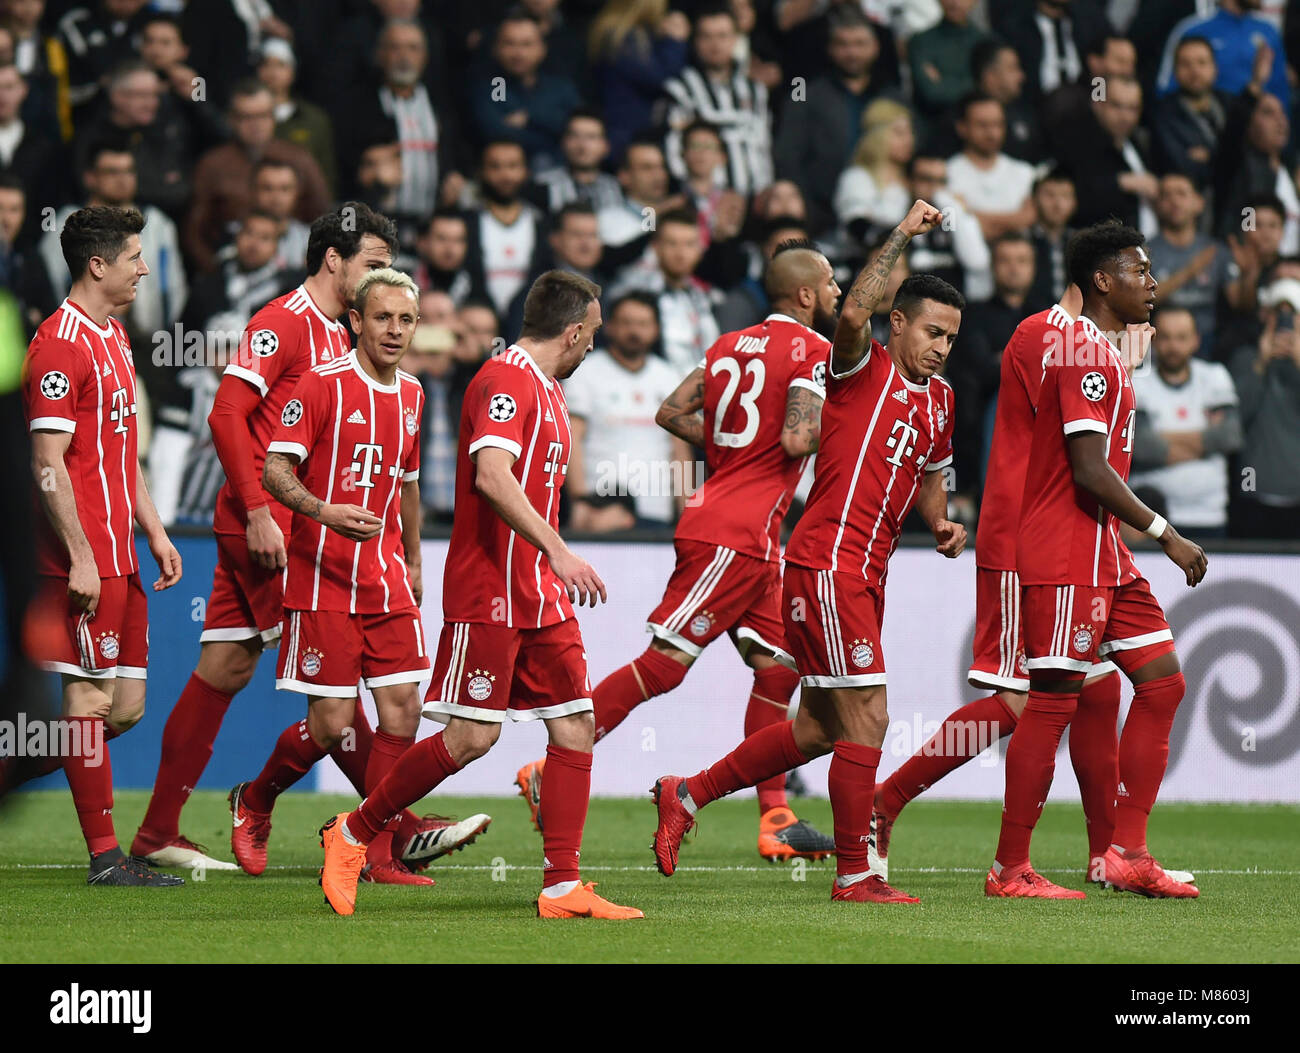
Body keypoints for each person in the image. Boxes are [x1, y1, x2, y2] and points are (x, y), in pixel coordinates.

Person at [133, 204, 485, 873]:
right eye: (373, 260)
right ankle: (392, 826)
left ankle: (157, 831)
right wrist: (258, 510)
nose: (384, 275)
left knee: (227, 667)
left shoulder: (346, 336)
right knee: (338, 698)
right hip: (270, 529)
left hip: (297, 530)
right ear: (333, 259)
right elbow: (226, 410)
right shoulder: (284, 323)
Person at [650, 201, 966, 904]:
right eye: (931, 331)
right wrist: (903, 234)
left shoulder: (941, 402)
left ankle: (687, 793)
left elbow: (933, 476)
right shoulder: (858, 367)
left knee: (821, 726)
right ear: (898, 323)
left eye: (951, 336)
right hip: (828, 564)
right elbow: (850, 312)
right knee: (870, 717)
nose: (942, 346)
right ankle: (856, 873)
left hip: (864, 573)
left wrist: (942, 525)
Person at [319, 270, 643, 920]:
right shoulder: (504, 379)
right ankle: (353, 832)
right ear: (574, 329)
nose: (591, 349)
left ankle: (561, 886)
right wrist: (557, 546)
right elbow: (492, 476)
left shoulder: (548, 390)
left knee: (576, 726)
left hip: (538, 593)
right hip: (491, 587)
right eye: (593, 335)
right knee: (470, 737)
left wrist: (547, 562)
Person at [520, 243, 839, 859]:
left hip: (745, 533)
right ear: (804, 295)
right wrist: (847, 428)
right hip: (733, 534)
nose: (834, 292)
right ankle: (547, 768)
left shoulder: (724, 346)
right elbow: (801, 436)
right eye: (828, 283)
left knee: (779, 669)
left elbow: (671, 412)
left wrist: (731, 444)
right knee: (665, 664)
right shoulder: (815, 351)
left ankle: (775, 818)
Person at [242, 267, 487, 890]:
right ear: (356, 320)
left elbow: (406, 483)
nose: (395, 330)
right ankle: (256, 800)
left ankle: (375, 857)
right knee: (332, 726)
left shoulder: (412, 393)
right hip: (322, 576)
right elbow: (273, 470)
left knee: (402, 712)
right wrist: (323, 511)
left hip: (385, 578)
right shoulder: (319, 386)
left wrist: (414, 557)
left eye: (406, 320)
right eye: (383, 317)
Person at [988, 220, 1207, 899]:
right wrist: (1166, 532)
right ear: (1103, 280)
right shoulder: (1080, 350)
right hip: (1065, 547)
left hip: (1104, 550)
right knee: (1050, 702)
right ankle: (1010, 868)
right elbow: (1087, 468)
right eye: (1141, 270)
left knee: (1163, 681)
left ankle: (1127, 851)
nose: (1153, 281)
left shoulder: (1108, 353)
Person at [24, 204, 184, 886]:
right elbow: (47, 463)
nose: (144, 267)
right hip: (80, 559)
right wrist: (82, 556)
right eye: (134, 257)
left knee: (124, 708)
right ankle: (106, 857)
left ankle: (18, 761)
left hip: (122, 555)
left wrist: (153, 527)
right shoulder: (57, 345)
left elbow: (123, 454)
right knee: (87, 705)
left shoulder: (114, 336)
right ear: (98, 264)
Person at [563, 291, 687, 530]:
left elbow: (680, 451)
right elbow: (572, 441)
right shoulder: (585, 372)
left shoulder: (670, 377)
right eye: (626, 322)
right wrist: (581, 502)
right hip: (602, 512)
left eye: (642, 324)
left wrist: (689, 513)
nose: (634, 331)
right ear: (608, 327)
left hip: (657, 513)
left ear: (656, 330)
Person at [184, 78, 330, 274]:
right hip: (229, 272)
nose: (256, 125)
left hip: (296, 272)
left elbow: (323, 217)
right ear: (231, 119)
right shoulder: (212, 165)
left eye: (263, 115)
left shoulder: (299, 159)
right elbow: (194, 232)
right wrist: (216, 276)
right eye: (246, 117)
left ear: (274, 117)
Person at [773, 3, 891, 237]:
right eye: (843, 44)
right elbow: (788, 157)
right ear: (830, 49)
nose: (852, 52)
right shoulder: (806, 95)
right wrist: (808, 209)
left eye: (859, 43)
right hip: (821, 218)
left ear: (875, 47)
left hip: (883, 214)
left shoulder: (891, 98)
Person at [1131, 307, 1240, 539]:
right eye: (1167, 338)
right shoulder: (1136, 381)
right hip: (1149, 518)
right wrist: (1206, 441)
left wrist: (1162, 438)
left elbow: (1230, 436)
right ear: (1154, 341)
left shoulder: (1214, 376)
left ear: (1196, 340)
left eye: (1181, 337)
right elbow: (1141, 447)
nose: (1173, 347)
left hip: (1209, 515)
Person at [661, 3, 772, 198]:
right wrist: (694, 195)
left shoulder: (756, 90)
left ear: (736, 39)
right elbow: (673, 149)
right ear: (695, 41)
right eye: (707, 36)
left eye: (723, 36)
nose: (715, 45)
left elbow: (765, 146)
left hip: (755, 204)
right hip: (704, 204)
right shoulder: (680, 90)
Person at [1228, 276, 1300, 538]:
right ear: (1264, 315)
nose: (1283, 322)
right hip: (1253, 495)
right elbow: (1236, 419)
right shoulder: (1245, 358)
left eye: (1291, 314)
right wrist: (1260, 364)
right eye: (1276, 314)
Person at [945, 93, 1036, 242]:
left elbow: (1029, 219)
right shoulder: (947, 173)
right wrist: (1014, 220)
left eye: (997, 124)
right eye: (982, 125)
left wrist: (973, 217)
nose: (992, 133)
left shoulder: (1024, 172)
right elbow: (954, 226)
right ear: (962, 127)